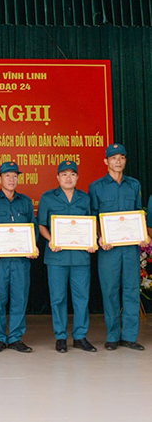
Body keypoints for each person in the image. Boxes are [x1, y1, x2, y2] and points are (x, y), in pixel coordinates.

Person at [89, 144, 147, 351]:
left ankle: (130, 336)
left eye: (121, 157)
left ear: (125, 160)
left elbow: (138, 212)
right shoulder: (96, 186)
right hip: (109, 248)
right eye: (114, 158)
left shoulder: (134, 184)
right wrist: (99, 237)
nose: (118, 161)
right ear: (106, 161)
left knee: (131, 290)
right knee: (110, 290)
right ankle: (112, 336)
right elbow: (93, 216)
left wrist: (142, 235)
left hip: (130, 247)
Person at [0, 162, 39, 353]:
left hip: (20, 259)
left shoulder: (25, 201)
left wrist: (32, 246)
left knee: (20, 297)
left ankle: (15, 338)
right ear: (0, 178)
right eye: (7, 176)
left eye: (15, 176)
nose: (11, 180)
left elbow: (33, 227)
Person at [38, 161, 97, 353]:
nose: (68, 178)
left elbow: (92, 223)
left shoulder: (85, 198)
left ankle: (80, 336)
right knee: (58, 298)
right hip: (57, 257)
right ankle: (61, 337)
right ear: (58, 177)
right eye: (64, 174)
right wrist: (51, 239)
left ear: (77, 177)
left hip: (80, 257)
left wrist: (92, 240)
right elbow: (41, 225)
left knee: (82, 298)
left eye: (72, 174)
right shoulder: (48, 198)